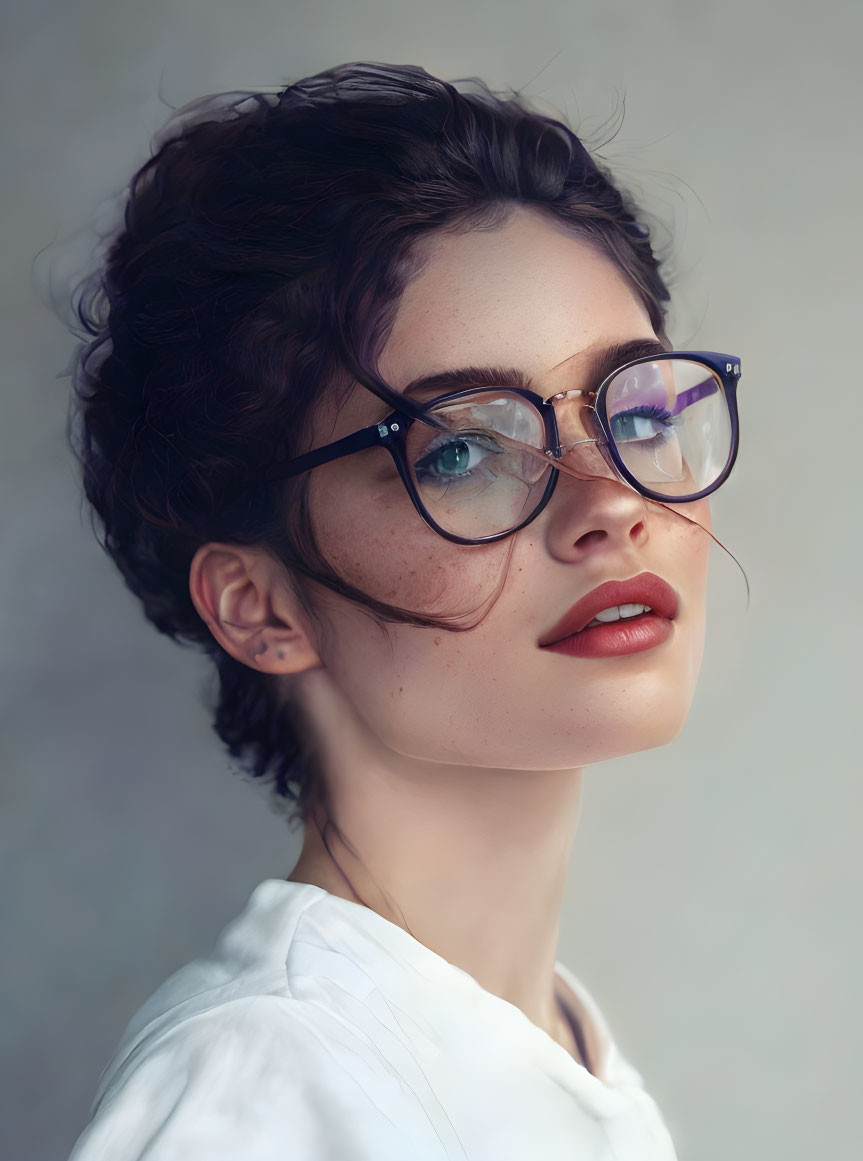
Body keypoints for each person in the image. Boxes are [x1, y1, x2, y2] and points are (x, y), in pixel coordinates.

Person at [63, 60, 741, 1161]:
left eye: (639, 411)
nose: (612, 502)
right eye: (466, 448)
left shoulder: (543, 1053)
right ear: (257, 606)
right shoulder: (266, 1091)